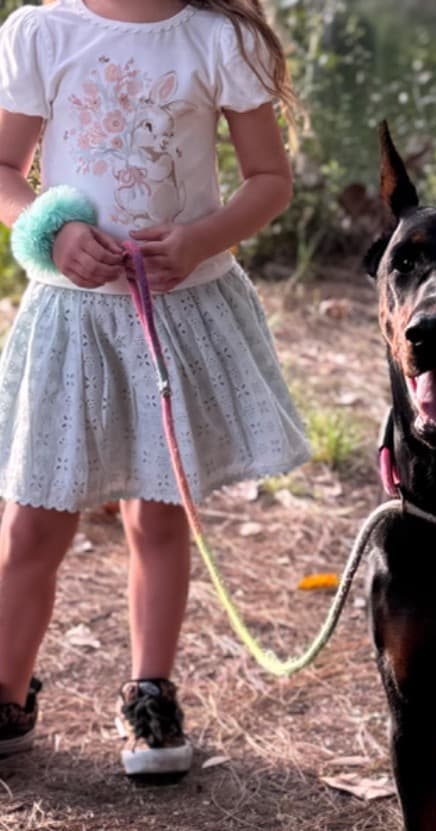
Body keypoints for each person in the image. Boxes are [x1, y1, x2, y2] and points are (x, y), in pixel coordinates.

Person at [0, 0, 311, 778]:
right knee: (34, 522)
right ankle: (4, 692)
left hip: (175, 314)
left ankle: (151, 692)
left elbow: (270, 180)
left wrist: (202, 237)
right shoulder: (42, 32)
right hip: (73, 319)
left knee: (160, 516)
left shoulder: (219, 39)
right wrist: (53, 228)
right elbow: (3, 169)